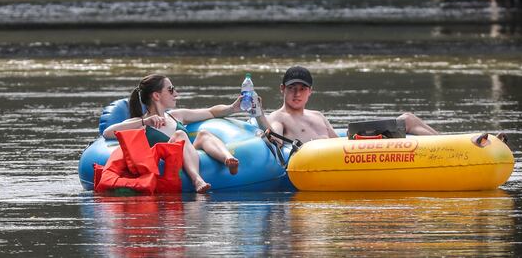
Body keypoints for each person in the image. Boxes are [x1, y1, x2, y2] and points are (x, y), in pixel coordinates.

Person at [103, 74, 242, 193]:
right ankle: (196, 179)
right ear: (156, 95)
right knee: (180, 135)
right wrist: (145, 122)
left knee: (204, 134)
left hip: (189, 155)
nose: (176, 94)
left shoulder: (177, 116)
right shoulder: (141, 122)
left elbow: (211, 112)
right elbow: (108, 132)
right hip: (166, 163)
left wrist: (232, 108)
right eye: (171, 90)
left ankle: (228, 159)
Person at [255, 66, 438, 144]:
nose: (297, 93)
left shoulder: (317, 115)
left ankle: (455, 145)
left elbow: (339, 141)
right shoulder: (279, 117)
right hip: (321, 161)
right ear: (282, 89)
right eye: (292, 88)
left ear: (310, 91)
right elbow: (276, 139)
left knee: (407, 119)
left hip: (346, 152)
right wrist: (259, 115)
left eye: (302, 88)